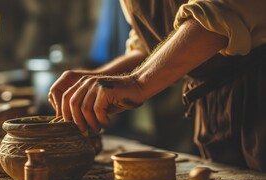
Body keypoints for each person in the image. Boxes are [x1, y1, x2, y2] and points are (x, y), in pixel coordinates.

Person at [48, 0, 266, 171]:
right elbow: (148, 45)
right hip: (215, 108)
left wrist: (137, 83)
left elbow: (220, 14)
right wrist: (99, 79)